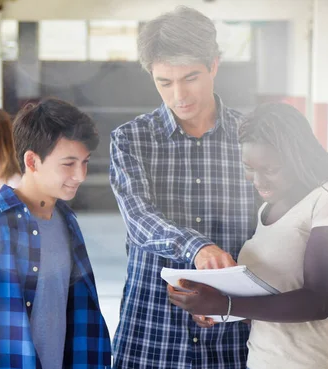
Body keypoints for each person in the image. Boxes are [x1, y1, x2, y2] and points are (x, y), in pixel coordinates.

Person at [168, 102, 328, 369]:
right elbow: (271, 303)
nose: (258, 181)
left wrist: (227, 304)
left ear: (299, 158)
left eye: (270, 170)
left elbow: (318, 301)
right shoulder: (268, 208)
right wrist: (215, 308)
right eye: (250, 168)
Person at [109, 6, 257, 368]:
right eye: (164, 82)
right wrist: (197, 248)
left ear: (214, 65)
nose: (179, 95)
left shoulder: (252, 136)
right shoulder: (130, 139)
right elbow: (140, 219)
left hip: (235, 330)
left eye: (190, 77)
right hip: (152, 330)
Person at [0, 98, 112, 368]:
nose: (80, 175)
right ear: (32, 161)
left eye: (85, 162)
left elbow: (81, 319)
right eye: (68, 164)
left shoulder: (68, 223)